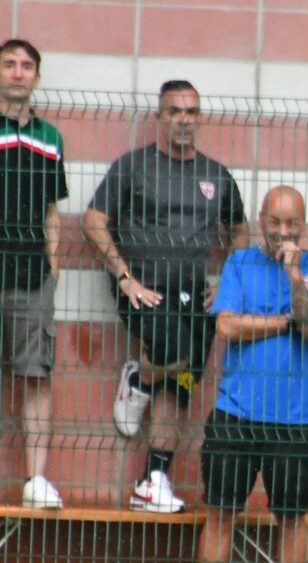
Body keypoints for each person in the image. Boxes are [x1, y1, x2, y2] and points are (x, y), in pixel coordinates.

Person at [170, 186, 308, 563]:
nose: (283, 232)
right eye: (276, 222)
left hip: (296, 420)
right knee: (220, 511)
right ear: (261, 219)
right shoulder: (240, 263)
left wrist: (294, 277)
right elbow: (227, 326)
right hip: (236, 414)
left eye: (292, 224)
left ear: (304, 225)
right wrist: (286, 322)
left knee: (293, 517)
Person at [84, 80, 249, 513]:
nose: (183, 120)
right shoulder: (133, 167)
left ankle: (152, 479)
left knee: (184, 381)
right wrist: (123, 277)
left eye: (191, 112)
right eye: (174, 111)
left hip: (195, 297)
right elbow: (94, 221)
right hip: (142, 291)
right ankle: (137, 381)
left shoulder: (215, 175)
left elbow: (241, 231)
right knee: (175, 351)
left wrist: (228, 283)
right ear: (160, 117)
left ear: (200, 118)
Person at [0, 39, 67, 509]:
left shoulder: (50, 138)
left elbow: (51, 211)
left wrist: (54, 267)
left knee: (37, 377)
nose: (18, 73)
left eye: (27, 66)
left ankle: (36, 480)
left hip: (31, 275)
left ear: (37, 78)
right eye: (9, 65)